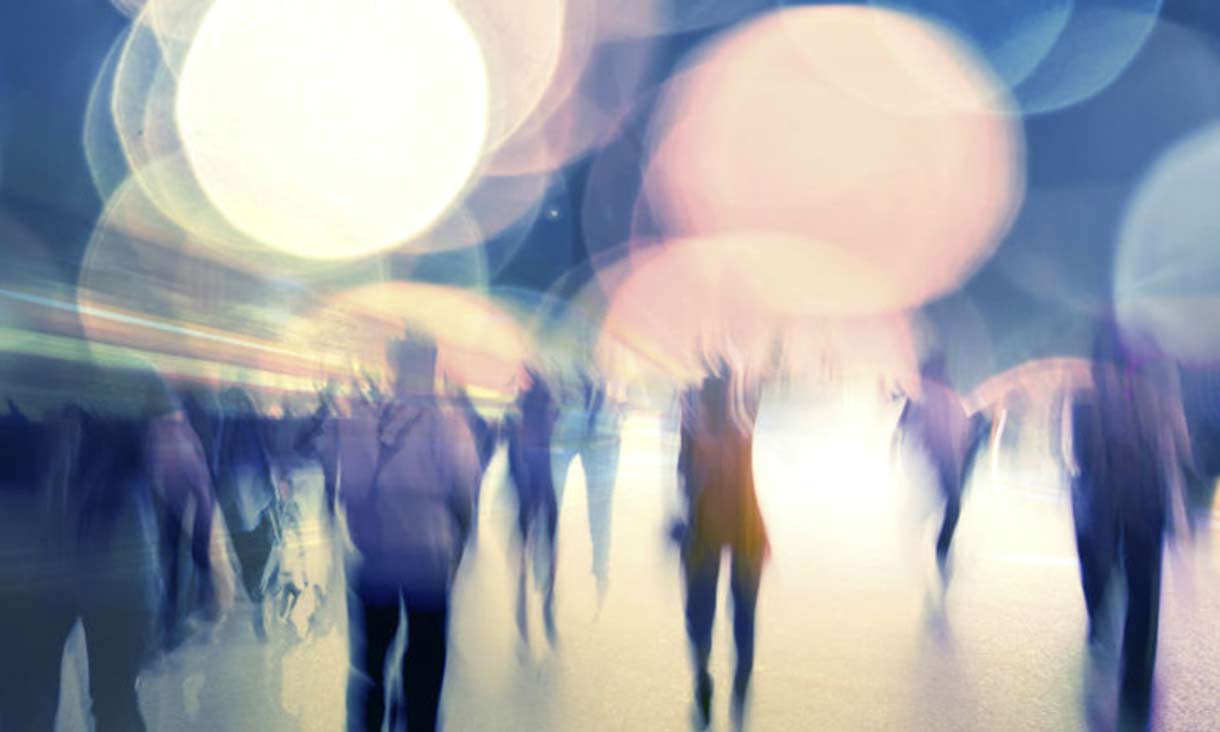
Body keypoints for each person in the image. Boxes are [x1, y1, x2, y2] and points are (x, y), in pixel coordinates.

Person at [319, 331, 479, 732]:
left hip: (372, 563)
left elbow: (339, 485)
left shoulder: (357, 418)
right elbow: (463, 496)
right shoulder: (445, 422)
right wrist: (460, 553)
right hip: (427, 563)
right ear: (429, 367)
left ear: (393, 366)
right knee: (424, 674)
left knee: (369, 668)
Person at [1063, 319, 1192, 727]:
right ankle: (1107, 633)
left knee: (1141, 587)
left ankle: (1134, 679)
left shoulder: (1153, 378)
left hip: (1138, 497)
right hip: (1109, 495)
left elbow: (1174, 436)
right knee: (1114, 577)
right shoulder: (1086, 385)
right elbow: (1079, 447)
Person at [675, 358, 768, 730]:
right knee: (744, 616)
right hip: (746, 527)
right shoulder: (744, 415)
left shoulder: (694, 419)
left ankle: (702, 680)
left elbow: (683, 473)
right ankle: (740, 701)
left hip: (704, 526)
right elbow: (755, 384)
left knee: (699, 613)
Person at [892, 352, 978, 577]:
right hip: (941, 457)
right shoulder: (930, 394)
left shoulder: (935, 394)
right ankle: (940, 550)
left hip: (943, 456)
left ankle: (938, 546)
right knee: (952, 503)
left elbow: (903, 427)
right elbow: (906, 426)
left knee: (948, 502)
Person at [549, 368, 622, 603]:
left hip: (586, 418)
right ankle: (600, 572)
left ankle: (548, 566)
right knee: (599, 505)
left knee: (557, 499)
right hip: (596, 421)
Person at [504, 368, 562, 650]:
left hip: (529, 475)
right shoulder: (546, 405)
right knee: (549, 528)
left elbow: (516, 441)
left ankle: (525, 575)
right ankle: (547, 584)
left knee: (528, 528)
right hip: (542, 475)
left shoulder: (526, 405)